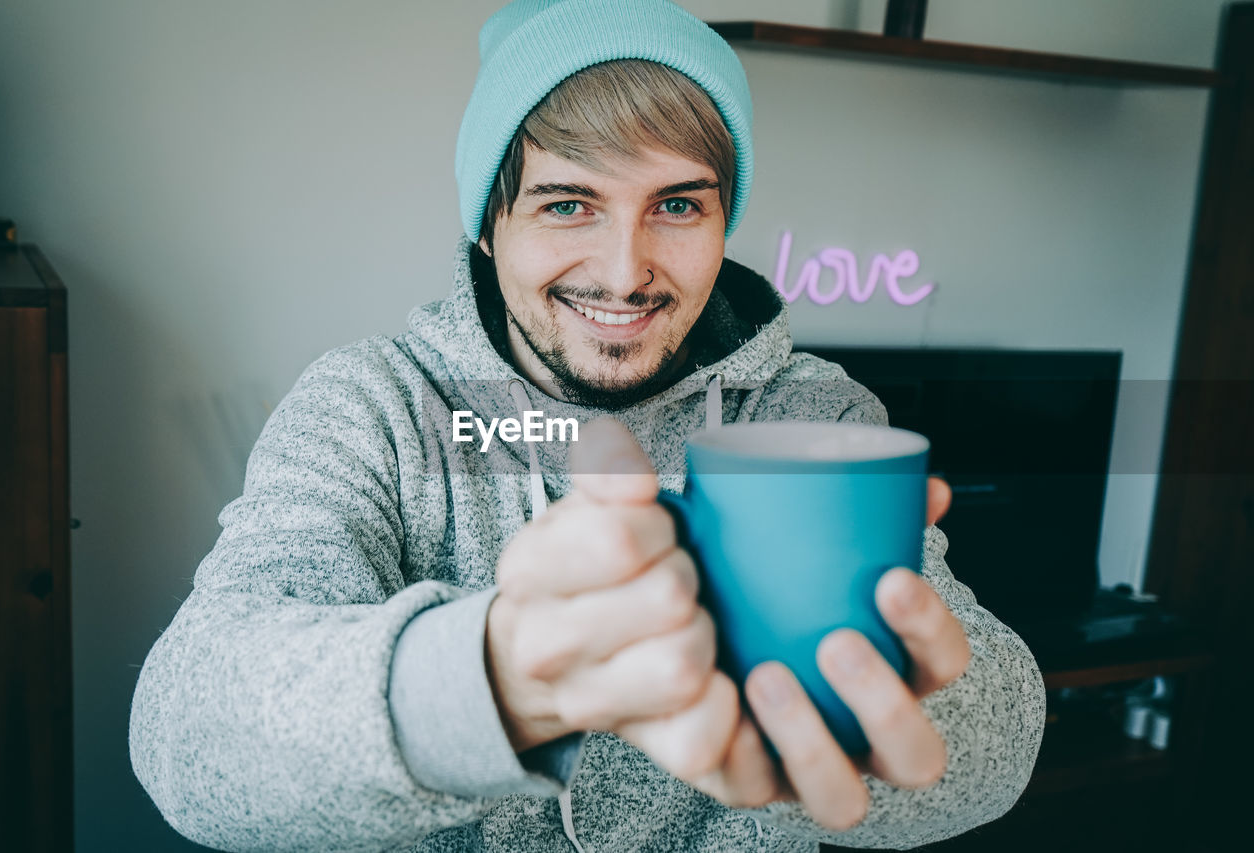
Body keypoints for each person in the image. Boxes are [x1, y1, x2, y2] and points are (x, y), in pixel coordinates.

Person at [129, 0, 1046, 850]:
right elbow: (187, 734)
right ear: (490, 224)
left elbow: (998, 750)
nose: (624, 271)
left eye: (677, 205)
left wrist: (910, 712)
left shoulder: (814, 416)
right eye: (568, 203)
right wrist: (501, 678)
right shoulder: (373, 406)